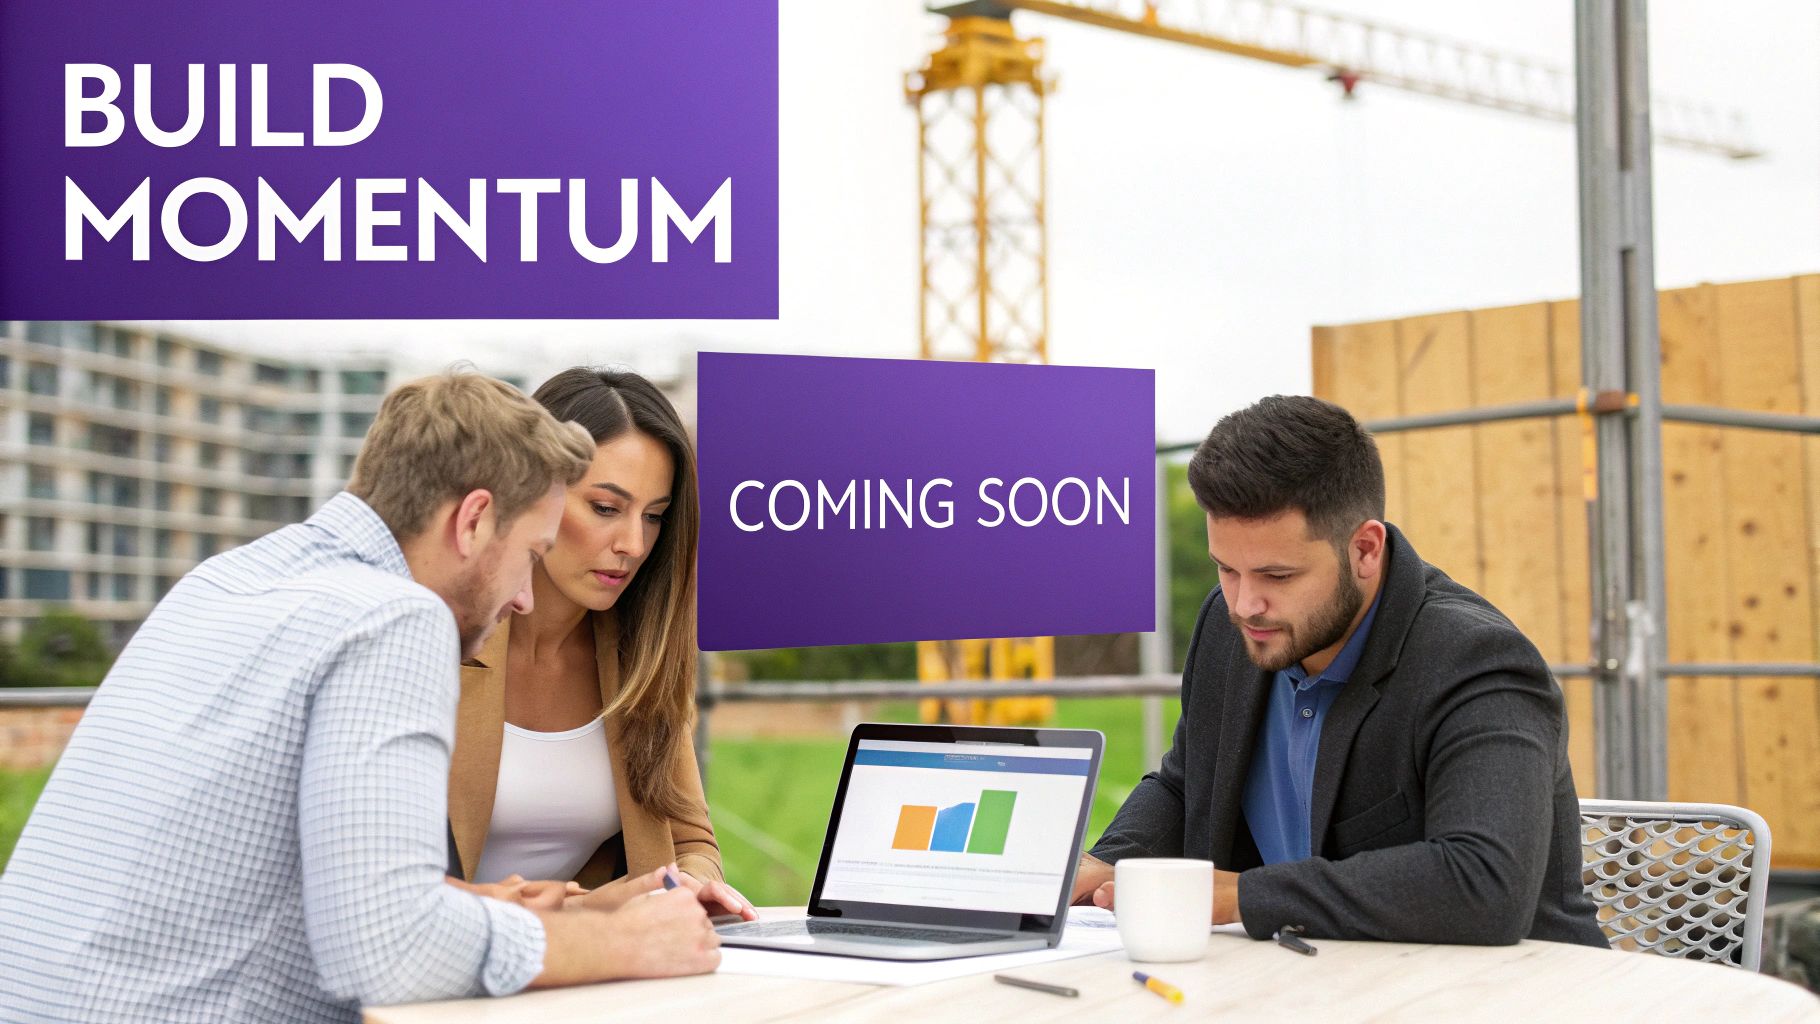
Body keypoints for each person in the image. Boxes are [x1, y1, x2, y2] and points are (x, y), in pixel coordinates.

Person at [0, 371, 721, 1024]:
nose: (525, 597)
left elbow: (330, 894)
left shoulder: (225, 581)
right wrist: (614, 941)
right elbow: (387, 949)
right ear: (472, 522)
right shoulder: (394, 617)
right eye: (529, 555)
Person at [1071, 395, 1607, 948]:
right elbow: (1186, 783)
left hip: (1516, 991)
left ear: (1366, 550)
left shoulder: (1476, 661)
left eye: (1278, 575)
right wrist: (1106, 864)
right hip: (1313, 979)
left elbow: (1485, 886)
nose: (1245, 603)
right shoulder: (1228, 624)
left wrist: (1242, 896)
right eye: (1227, 569)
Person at [445, 367, 752, 919]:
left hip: (576, 979)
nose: (634, 545)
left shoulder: (640, 657)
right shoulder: (437, 640)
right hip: (437, 971)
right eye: (606, 508)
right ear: (533, 492)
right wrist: (570, 912)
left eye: (655, 517)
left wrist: (689, 887)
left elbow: (692, 842)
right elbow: (369, 883)